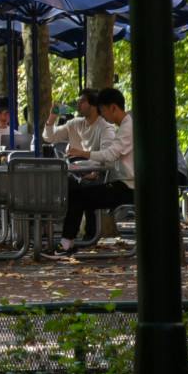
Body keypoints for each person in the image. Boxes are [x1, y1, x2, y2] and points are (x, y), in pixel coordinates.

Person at [57, 87, 134, 253]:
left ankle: (66, 244)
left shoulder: (127, 127)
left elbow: (110, 155)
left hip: (128, 186)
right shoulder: (125, 125)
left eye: (103, 111)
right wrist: (83, 163)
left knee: (78, 195)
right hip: (122, 182)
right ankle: (77, 240)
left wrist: (82, 153)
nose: (102, 116)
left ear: (113, 108)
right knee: (83, 191)